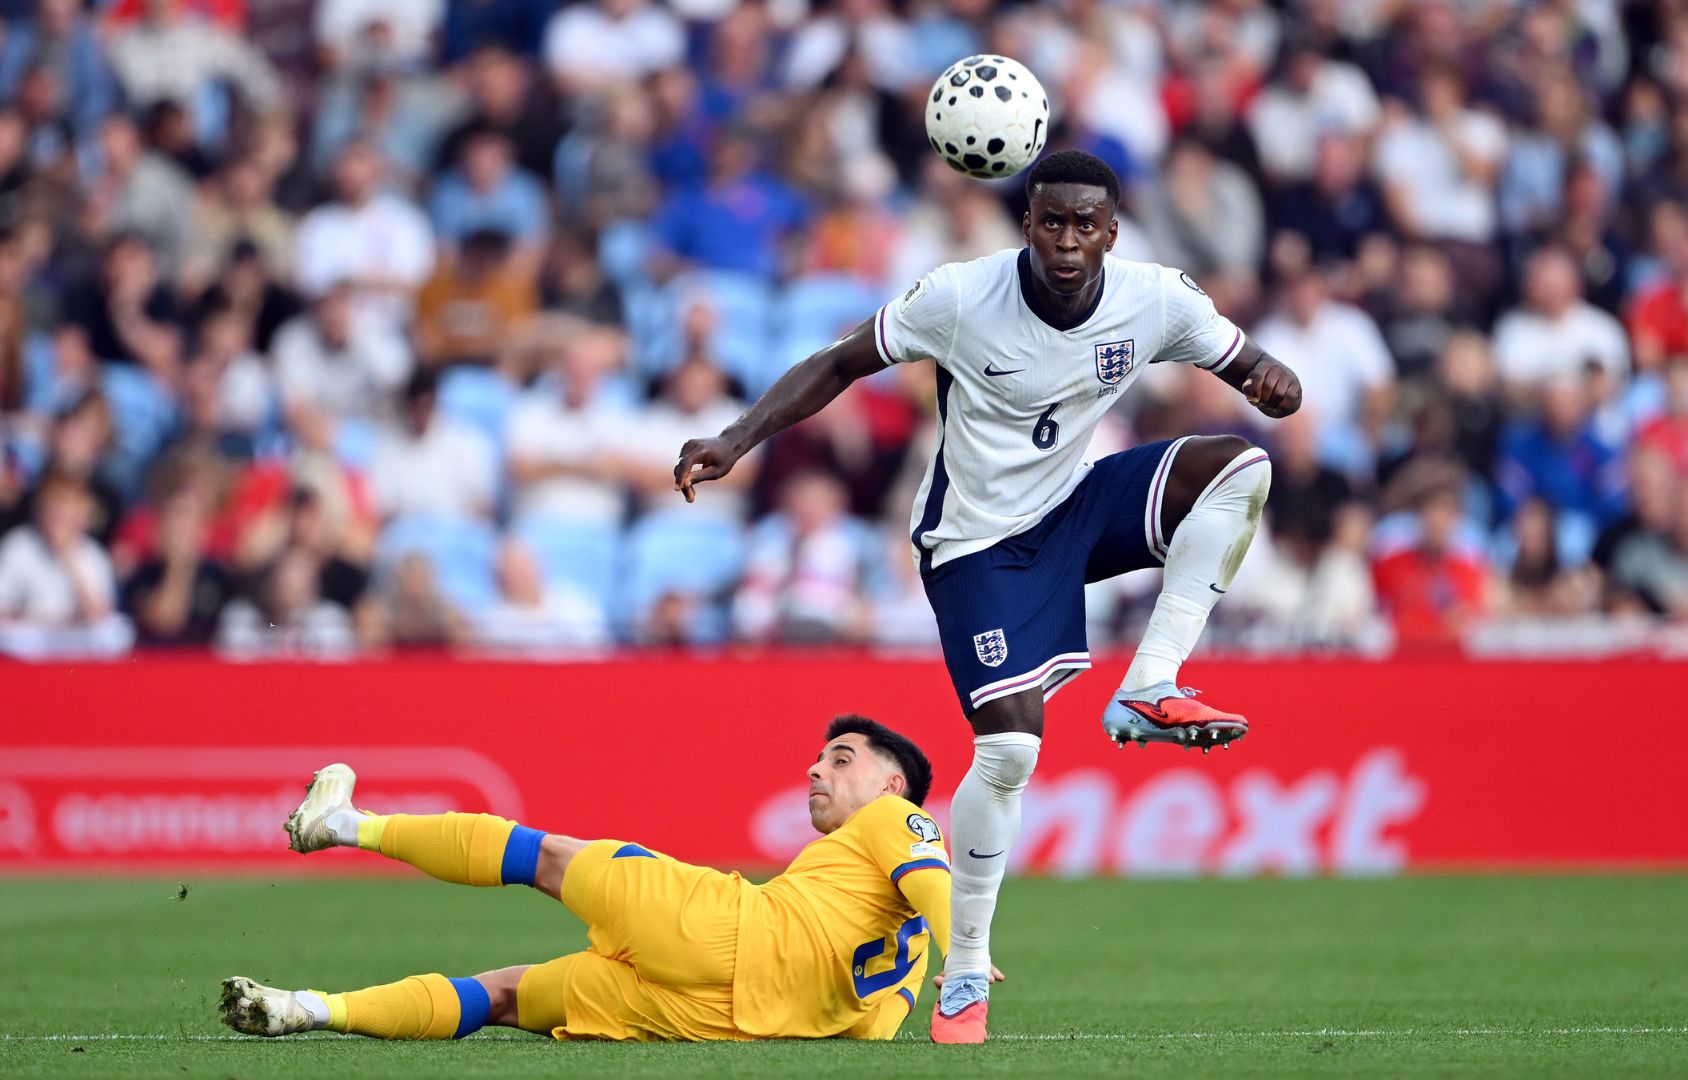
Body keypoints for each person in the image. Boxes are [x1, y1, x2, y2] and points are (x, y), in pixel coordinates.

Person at [675, 149, 1301, 1042]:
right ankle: (966, 966)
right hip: (975, 545)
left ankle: (1148, 682)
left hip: (1074, 508)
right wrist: (738, 439)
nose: (1068, 240)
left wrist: (1273, 382)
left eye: (1087, 224)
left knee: (1241, 467)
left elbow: (1255, 367)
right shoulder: (962, 297)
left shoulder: (1154, 296)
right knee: (1010, 748)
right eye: (1052, 221)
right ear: (1027, 226)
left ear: (1113, 232)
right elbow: (840, 360)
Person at [220, 716, 951, 1043]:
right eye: (821, 756)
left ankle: (346, 826)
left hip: (723, 930)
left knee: (540, 858)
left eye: (842, 757)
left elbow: (937, 883)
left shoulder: (894, 819)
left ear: (892, 784)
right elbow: (866, 1031)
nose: (816, 768)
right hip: (719, 1024)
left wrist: (971, 959)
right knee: (503, 997)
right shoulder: (900, 972)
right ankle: (308, 1009)